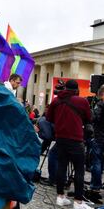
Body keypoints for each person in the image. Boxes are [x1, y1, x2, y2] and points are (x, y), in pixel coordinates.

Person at [46, 79, 92, 209]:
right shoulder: (82, 101)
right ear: (76, 90)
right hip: (76, 139)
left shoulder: (56, 101)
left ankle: (60, 197)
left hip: (60, 138)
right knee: (79, 170)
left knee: (61, 167)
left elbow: (49, 118)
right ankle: (78, 201)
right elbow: (89, 118)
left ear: (65, 88)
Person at [89, 85, 104, 194]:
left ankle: (95, 186)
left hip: (99, 137)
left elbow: (94, 118)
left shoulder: (100, 105)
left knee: (97, 162)